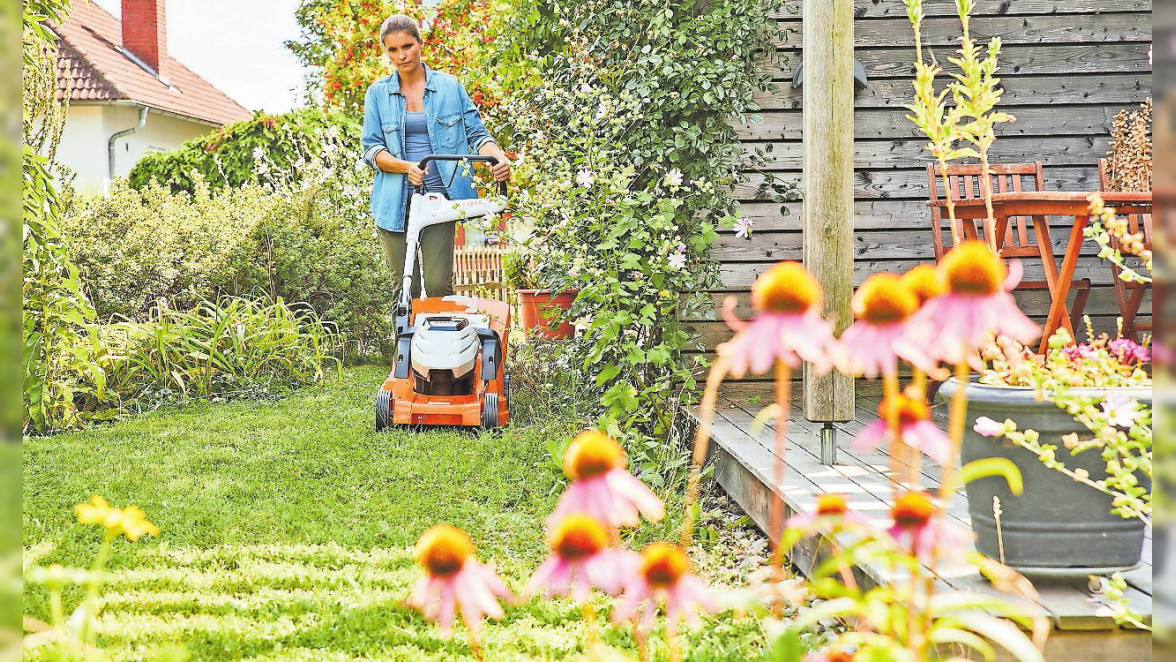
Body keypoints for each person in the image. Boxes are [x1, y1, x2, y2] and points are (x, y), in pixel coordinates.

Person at [360, 14, 510, 302]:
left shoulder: (450, 87)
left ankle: (445, 348)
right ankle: (405, 349)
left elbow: (478, 134)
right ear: (385, 52)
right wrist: (407, 168)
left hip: (439, 200)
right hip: (394, 202)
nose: (401, 56)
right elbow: (372, 150)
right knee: (406, 290)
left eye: (407, 46)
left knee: (440, 286)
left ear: (420, 43)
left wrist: (498, 159)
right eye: (393, 50)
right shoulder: (377, 94)